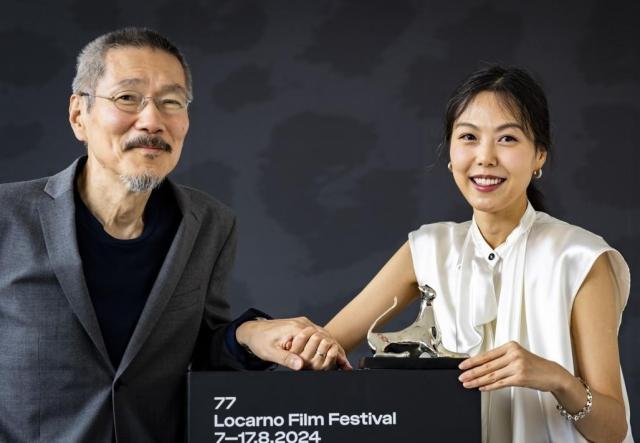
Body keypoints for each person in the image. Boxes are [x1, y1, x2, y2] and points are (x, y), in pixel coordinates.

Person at [0, 28, 348, 443]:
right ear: (79, 115)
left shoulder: (211, 223)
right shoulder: (7, 215)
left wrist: (253, 336)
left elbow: (202, 351)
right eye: (127, 98)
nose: (152, 120)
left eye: (171, 102)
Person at [295, 66, 632, 442]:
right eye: (469, 137)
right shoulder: (427, 249)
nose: (485, 157)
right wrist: (256, 333)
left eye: (507, 139)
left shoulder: (581, 258)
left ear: (539, 156)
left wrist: (556, 378)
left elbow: (612, 430)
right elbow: (324, 347)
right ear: (451, 155)